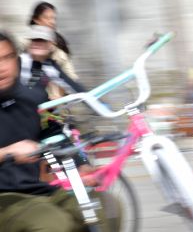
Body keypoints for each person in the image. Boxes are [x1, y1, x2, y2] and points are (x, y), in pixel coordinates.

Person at [0, 31, 118, 232]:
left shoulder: (33, 97)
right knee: (51, 223)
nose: (2, 67)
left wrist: (82, 165)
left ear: (16, 60)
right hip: (5, 199)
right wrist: (8, 152)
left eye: (7, 58)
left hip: (41, 191)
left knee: (106, 207)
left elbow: (55, 132)